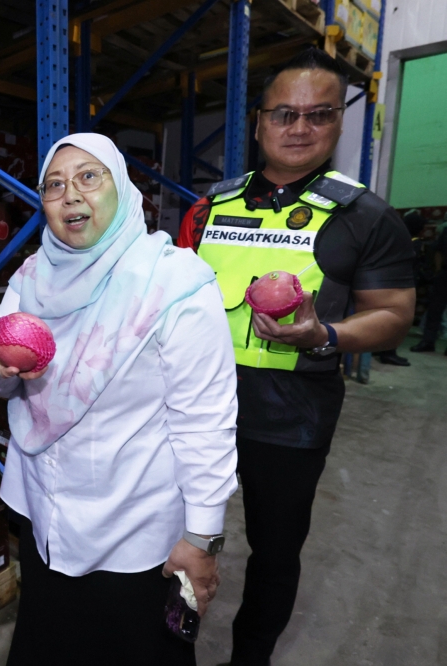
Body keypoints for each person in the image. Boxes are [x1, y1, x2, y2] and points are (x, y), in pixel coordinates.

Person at [177, 48, 415, 665]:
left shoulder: (366, 216)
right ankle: (162, 645)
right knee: (168, 535)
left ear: (338, 123)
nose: (300, 127)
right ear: (258, 123)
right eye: (284, 114)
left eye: (319, 114)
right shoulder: (209, 209)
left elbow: (393, 314)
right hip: (190, 409)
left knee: (274, 551)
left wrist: (323, 337)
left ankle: (249, 658)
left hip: (291, 417)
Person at [0, 133, 239, 665]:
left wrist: (202, 537)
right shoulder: (32, 277)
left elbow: (205, 422)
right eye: (54, 184)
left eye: (89, 177)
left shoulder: (173, 281)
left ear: (123, 187)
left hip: (132, 532)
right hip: (43, 517)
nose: (70, 195)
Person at [375, 209, 428, 365]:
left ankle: (383, 349)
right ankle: (389, 352)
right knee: (397, 318)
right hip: (402, 286)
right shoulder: (415, 244)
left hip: (388, 284)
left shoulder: (397, 240)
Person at [410, 212, 447, 354]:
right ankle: (428, 342)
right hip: (444, 273)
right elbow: (439, 251)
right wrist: (438, 271)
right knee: (435, 310)